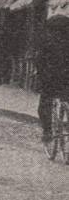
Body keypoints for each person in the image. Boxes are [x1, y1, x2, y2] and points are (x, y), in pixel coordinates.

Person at [36, 12, 69, 142]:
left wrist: (40, 75)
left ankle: (47, 131)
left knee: (44, 105)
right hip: (67, 80)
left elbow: (39, 61)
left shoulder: (46, 42)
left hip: (51, 80)